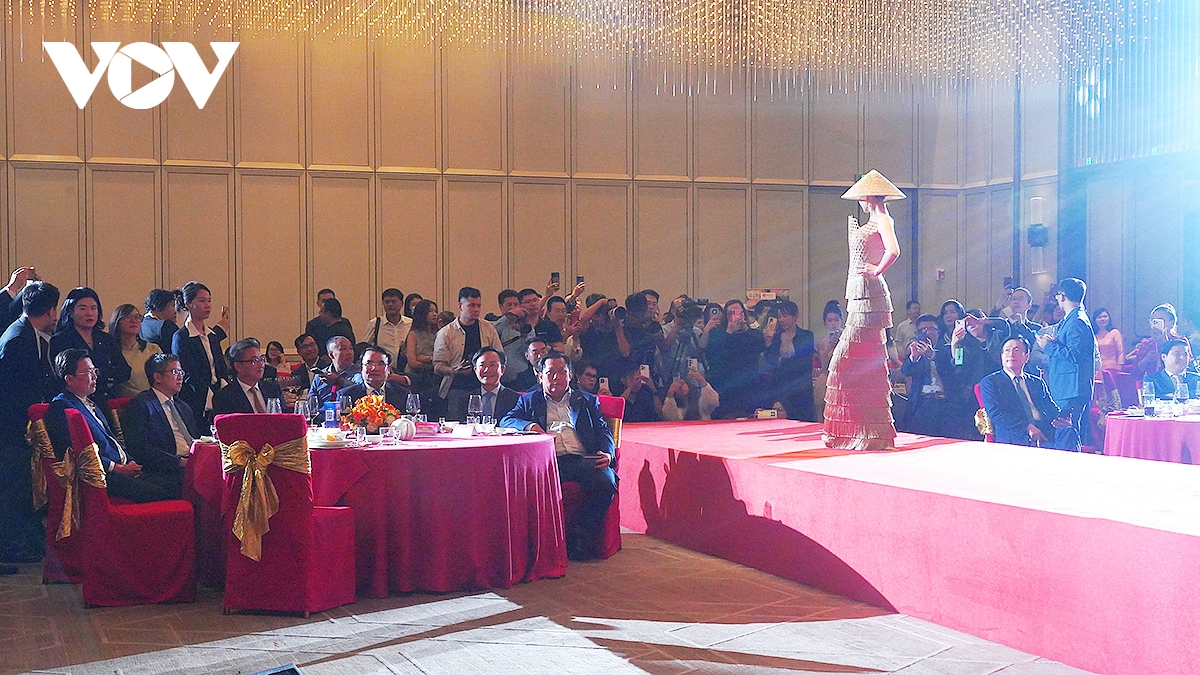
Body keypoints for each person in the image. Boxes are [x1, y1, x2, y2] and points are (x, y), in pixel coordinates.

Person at [499, 352, 615, 561]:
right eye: (550, 372)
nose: (556, 377)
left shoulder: (587, 400)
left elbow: (603, 430)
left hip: (583, 458)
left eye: (561, 372)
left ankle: (578, 533)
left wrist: (608, 452)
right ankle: (537, 545)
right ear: (540, 376)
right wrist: (530, 425)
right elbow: (507, 420)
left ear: (570, 375)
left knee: (606, 483)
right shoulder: (529, 400)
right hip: (549, 462)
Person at [822, 171, 903, 450]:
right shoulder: (873, 221)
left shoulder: (883, 220)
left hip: (870, 297)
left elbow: (893, 250)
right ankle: (860, 433)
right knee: (858, 363)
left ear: (869, 198)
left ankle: (863, 432)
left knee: (845, 362)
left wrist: (877, 270)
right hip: (859, 297)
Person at [45, 350, 171, 503]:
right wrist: (117, 468)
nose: (95, 376)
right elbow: (76, 453)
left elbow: (112, 442)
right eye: (88, 372)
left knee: (175, 482)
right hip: (102, 476)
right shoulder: (62, 407)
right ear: (69, 379)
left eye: (94, 370)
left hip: (123, 468)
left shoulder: (90, 403)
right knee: (161, 492)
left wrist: (130, 462)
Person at [0, 281, 59, 567]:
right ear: (50, 311)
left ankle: (19, 543)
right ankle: (10, 547)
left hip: (19, 429)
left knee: (20, 487)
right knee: (11, 489)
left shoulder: (26, 333)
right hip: (11, 431)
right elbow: (11, 393)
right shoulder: (17, 340)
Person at [120, 354, 200, 500]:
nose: (180, 377)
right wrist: (179, 462)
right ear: (157, 377)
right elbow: (140, 448)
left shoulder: (183, 406)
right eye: (175, 372)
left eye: (181, 372)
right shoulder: (140, 405)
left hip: (194, 462)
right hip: (165, 470)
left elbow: (195, 438)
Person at [979, 337, 1077, 450]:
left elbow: (1051, 409)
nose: (1011, 354)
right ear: (1001, 356)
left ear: (1026, 357)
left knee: (1069, 431)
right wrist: (1027, 427)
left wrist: (1061, 419)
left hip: (1045, 430)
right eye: (1007, 350)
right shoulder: (991, 382)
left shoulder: (1036, 382)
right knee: (1062, 448)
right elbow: (996, 414)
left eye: (1016, 350)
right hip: (1017, 433)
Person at [1036, 278, 1096, 448]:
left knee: (1067, 435)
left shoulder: (1077, 321)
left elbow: (1076, 355)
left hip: (1071, 388)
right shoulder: (1074, 318)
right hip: (1068, 387)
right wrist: (1055, 342)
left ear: (1062, 296)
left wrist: (1048, 346)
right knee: (1067, 433)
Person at [49, 287, 131, 402]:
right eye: (82, 308)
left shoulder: (106, 339)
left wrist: (103, 374)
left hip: (106, 399)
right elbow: (59, 377)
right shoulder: (60, 340)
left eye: (93, 308)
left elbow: (125, 370)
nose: (89, 313)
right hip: (75, 400)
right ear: (71, 312)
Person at [434, 287, 504, 415]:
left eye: (478, 305)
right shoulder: (446, 333)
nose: (476, 310)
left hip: (485, 385)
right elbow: (438, 365)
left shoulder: (488, 328)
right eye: (472, 305)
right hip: (457, 386)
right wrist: (454, 371)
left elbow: (500, 355)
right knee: (458, 421)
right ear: (460, 306)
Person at [171, 281, 230, 426]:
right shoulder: (181, 337)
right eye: (202, 301)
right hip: (196, 399)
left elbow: (220, 367)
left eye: (209, 301)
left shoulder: (212, 335)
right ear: (188, 304)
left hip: (217, 394)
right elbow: (188, 373)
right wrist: (209, 397)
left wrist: (223, 391)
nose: (207, 305)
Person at [705, 300, 765, 419]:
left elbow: (760, 346)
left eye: (739, 312)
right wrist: (729, 332)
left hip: (749, 385)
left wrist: (745, 328)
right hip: (726, 386)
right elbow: (715, 355)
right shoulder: (719, 333)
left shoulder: (753, 333)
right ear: (725, 316)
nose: (736, 316)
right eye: (731, 313)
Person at [763, 301, 816, 422]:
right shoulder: (776, 337)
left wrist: (782, 362)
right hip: (780, 387)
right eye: (779, 316)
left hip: (801, 388)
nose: (781, 320)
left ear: (795, 316)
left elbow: (804, 362)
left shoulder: (806, 335)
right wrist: (768, 344)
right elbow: (770, 363)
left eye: (785, 316)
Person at [212, 338, 285, 415]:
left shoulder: (273, 390)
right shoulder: (224, 397)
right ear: (238, 366)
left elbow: (284, 418)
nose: (261, 365)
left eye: (261, 359)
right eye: (254, 361)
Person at [450, 346, 519, 422]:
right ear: (475, 370)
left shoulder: (515, 399)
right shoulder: (465, 400)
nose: (487, 370)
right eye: (482, 365)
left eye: (492, 365)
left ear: (502, 370)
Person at [110, 303, 162, 399]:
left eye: (137, 317)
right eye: (128, 317)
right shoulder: (111, 352)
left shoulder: (153, 349)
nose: (133, 321)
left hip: (153, 401)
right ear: (117, 321)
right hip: (125, 403)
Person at [338, 346, 412, 411]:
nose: (375, 368)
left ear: (388, 369)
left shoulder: (403, 394)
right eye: (369, 364)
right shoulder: (346, 395)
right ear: (361, 368)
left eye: (380, 364)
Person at [1128, 303, 1189, 379]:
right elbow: (1134, 373)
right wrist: (1145, 361)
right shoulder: (1147, 344)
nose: (1156, 323)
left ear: (1172, 323)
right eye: (1154, 321)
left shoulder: (1180, 342)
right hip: (1152, 383)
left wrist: (1165, 343)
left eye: (1161, 320)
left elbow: (1187, 368)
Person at [363, 288, 412, 375]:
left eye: (393, 301)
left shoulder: (411, 324)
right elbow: (365, 347)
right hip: (383, 372)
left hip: (407, 372)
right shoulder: (375, 323)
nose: (390, 305)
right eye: (387, 302)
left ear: (402, 304)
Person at [404, 299, 441, 411]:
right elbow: (412, 362)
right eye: (430, 311)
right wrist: (432, 360)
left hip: (435, 376)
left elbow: (443, 358)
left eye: (435, 311)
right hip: (418, 377)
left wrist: (424, 358)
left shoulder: (439, 333)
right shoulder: (413, 334)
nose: (434, 314)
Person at [492, 290, 534, 387]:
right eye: (509, 305)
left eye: (516, 304)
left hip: (522, 378)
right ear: (501, 307)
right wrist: (508, 316)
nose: (513, 308)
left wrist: (524, 334)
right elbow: (492, 332)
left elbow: (530, 353)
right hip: (500, 378)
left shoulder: (526, 326)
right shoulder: (494, 324)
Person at [311, 336, 357, 406]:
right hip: (322, 412)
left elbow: (361, 390)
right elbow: (311, 401)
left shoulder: (359, 372)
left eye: (351, 348)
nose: (349, 352)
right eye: (344, 349)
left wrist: (338, 381)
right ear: (331, 355)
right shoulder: (320, 376)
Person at [140, 288, 179, 354]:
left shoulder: (141, 325)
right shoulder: (166, 326)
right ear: (162, 307)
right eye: (173, 306)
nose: (175, 311)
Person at [1092, 308, 1125, 372]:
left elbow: (1121, 352)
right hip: (1097, 368)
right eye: (1099, 317)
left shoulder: (1115, 333)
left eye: (1105, 316)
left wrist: (1120, 367)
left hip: (1112, 368)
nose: (1102, 319)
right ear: (1095, 320)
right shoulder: (1093, 335)